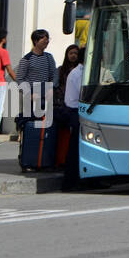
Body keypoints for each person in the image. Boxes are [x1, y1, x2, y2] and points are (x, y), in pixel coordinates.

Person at [14, 30, 58, 135]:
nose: (47, 42)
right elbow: (20, 79)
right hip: (32, 95)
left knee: (45, 122)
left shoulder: (49, 57)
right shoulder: (27, 59)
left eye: (48, 40)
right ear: (36, 41)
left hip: (46, 93)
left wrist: (51, 88)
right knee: (31, 122)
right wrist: (29, 94)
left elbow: (54, 74)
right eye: (44, 40)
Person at [60, 57, 83, 191]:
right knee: (74, 148)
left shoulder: (79, 71)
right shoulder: (79, 73)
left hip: (77, 110)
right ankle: (70, 182)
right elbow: (83, 92)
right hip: (75, 111)